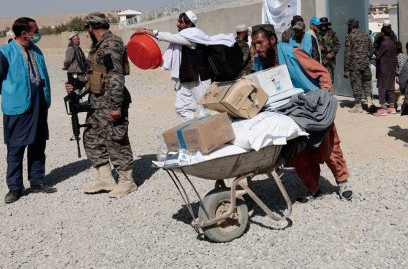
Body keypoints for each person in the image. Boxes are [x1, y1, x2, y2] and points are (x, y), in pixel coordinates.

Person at [252, 24, 352, 200]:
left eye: (260, 43)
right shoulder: (260, 62)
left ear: (272, 40)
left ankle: (342, 182)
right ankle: (313, 188)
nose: (257, 48)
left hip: (311, 106)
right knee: (300, 154)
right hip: (288, 113)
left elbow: (322, 73)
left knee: (328, 147)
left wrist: (325, 99)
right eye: (254, 44)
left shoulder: (292, 52)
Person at [65, 12, 137, 198]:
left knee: (116, 140)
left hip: (110, 102)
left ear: (90, 28)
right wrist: (77, 83)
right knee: (91, 137)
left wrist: (116, 106)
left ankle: (127, 181)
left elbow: (115, 77)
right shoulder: (98, 46)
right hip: (97, 102)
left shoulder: (111, 44)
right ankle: (105, 178)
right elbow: (93, 73)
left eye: (86, 30)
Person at [136, 11, 235, 120]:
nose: (177, 24)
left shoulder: (192, 35)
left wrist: (146, 31)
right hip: (187, 79)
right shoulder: (184, 35)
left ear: (188, 24)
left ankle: (218, 127)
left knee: (206, 109)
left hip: (199, 80)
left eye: (180, 22)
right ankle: (199, 125)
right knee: (181, 108)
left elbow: (168, 37)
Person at [0, 17, 56, 204]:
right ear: (24, 33)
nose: (38, 33)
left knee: (38, 144)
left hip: (39, 105)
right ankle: (15, 188)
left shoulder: (37, 51)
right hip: (18, 108)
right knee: (15, 148)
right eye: (35, 30)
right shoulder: (5, 52)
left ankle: (37, 181)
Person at [344, 18, 375, 113]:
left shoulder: (349, 36)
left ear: (351, 26)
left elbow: (347, 53)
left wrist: (346, 69)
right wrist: (367, 58)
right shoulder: (365, 35)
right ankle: (369, 101)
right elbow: (371, 49)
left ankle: (358, 106)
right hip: (365, 64)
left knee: (356, 84)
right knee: (366, 82)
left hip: (354, 65)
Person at [373, 27, 397, 116]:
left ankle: (383, 108)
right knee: (391, 87)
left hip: (384, 68)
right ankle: (392, 107)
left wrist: (375, 52)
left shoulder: (384, 43)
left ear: (383, 33)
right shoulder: (392, 43)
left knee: (381, 87)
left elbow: (379, 55)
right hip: (392, 68)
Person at [317, 17, 340, 82]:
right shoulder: (317, 34)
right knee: (321, 78)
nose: (323, 26)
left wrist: (332, 53)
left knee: (330, 78)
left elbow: (338, 44)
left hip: (329, 60)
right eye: (322, 25)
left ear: (327, 25)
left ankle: (330, 91)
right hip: (320, 59)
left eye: (325, 24)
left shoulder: (332, 33)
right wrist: (318, 47)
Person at [395, 41, 408, 111]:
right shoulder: (402, 55)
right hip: (404, 76)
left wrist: (397, 75)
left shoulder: (399, 56)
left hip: (401, 76)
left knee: (400, 91)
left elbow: (401, 67)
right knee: (401, 91)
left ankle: (400, 105)